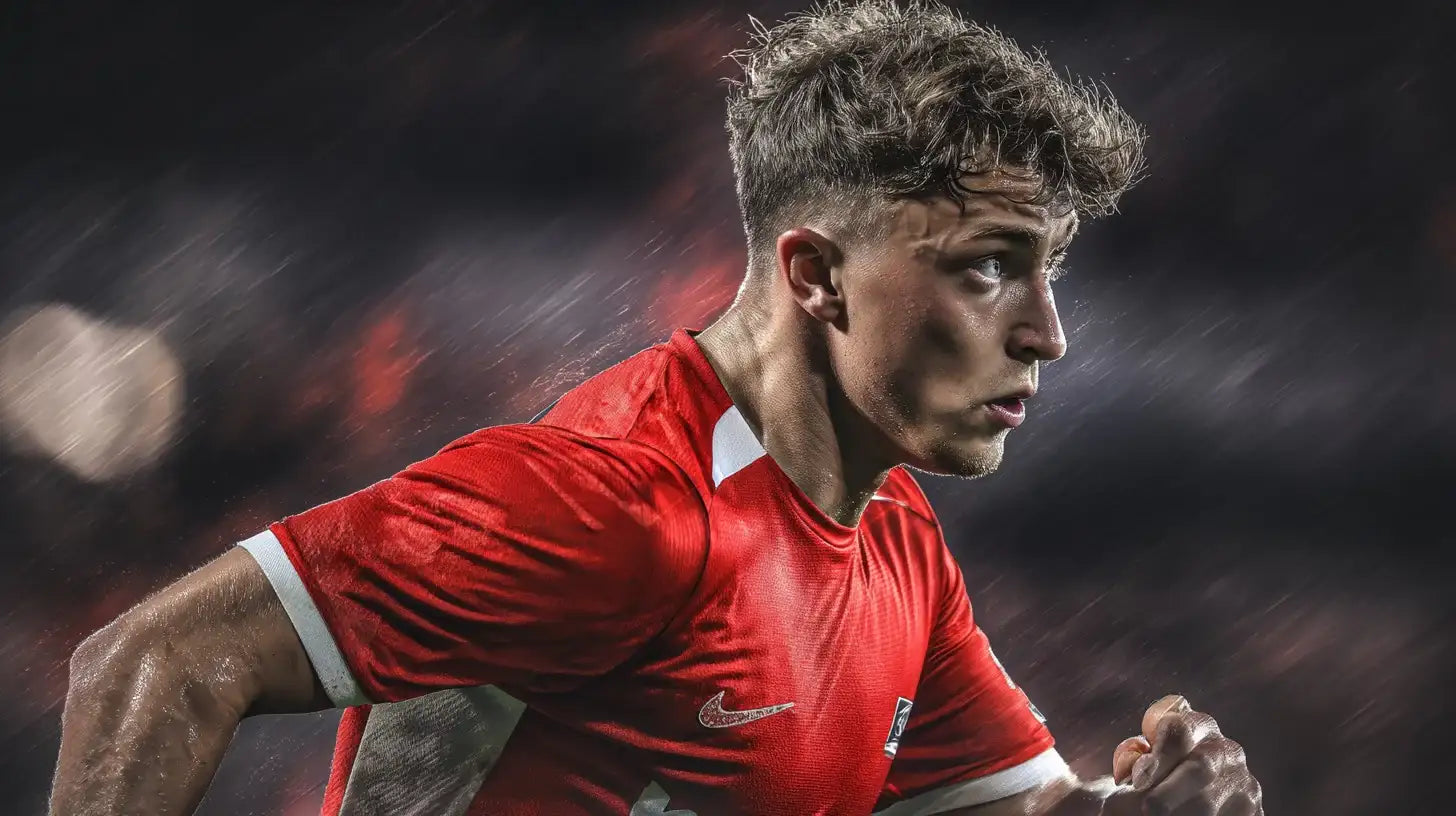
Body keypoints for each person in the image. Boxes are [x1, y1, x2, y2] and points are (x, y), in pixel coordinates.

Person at [49, 1, 1264, 814]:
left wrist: (1141, 804)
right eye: (989, 265)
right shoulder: (610, 503)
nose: (1048, 333)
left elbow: (1028, 810)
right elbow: (156, 657)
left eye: (1046, 273)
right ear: (814, 276)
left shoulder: (893, 546)